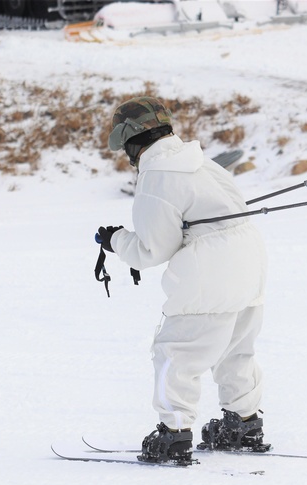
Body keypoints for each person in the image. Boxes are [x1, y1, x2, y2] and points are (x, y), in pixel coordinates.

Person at [98, 96, 269, 464]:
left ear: (131, 139)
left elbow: (151, 250)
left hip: (211, 269)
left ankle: (173, 435)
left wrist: (114, 240)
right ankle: (243, 423)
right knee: (235, 349)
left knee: (176, 352)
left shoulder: (157, 174)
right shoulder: (202, 162)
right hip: (251, 261)